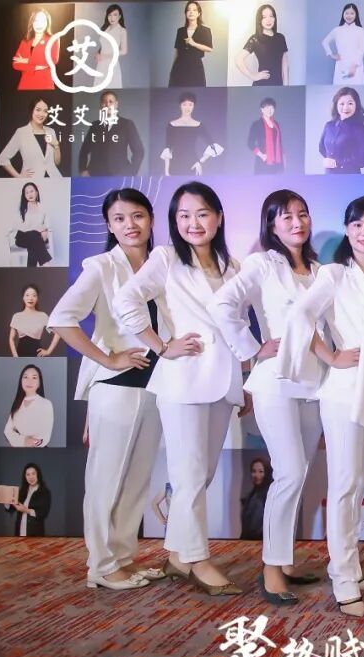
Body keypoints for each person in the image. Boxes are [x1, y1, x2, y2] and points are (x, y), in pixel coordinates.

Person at [113, 181, 244, 597]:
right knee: (188, 474)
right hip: (183, 378)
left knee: (201, 474)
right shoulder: (166, 258)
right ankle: (197, 560)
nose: (193, 223)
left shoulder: (232, 265)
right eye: (183, 216)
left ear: (218, 217)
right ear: (174, 221)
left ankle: (175, 555)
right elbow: (126, 301)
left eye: (202, 213)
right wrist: (160, 345)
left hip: (224, 380)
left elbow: (238, 325)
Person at [49, 187, 171, 591]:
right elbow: (62, 319)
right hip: (116, 387)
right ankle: (100, 565)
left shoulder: (165, 264)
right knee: (106, 479)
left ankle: (123, 559)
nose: (130, 225)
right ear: (109, 225)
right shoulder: (101, 267)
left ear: (150, 219)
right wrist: (107, 359)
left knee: (136, 480)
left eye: (137, 216)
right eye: (119, 218)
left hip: (157, 384)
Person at [209, 189, 324, 607]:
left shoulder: (319, 269)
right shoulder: (262, 264)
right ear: (271, 224)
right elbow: (222, 304)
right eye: (286, 216)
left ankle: (286, 561)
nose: (297, 222)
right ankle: (272, 568)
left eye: (302, 213)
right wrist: (253, 348)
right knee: (288, 472)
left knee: (300, 473)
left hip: (316, 382)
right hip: (275, 381)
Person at [278, 196, 364, 616]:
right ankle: (343, 578)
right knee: (344, 485)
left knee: (358, 483)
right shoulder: (334, 273)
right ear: (347, 229)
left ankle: (348, 566)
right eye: (358, 224)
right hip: (343, 391)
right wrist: (330, 356)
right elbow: (299, 316)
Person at [78, 92, 145, 177]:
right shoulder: (95, 126)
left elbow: (139, 150)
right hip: (96, 175)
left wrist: (131, 172)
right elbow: (84, 151)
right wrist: (83, 170)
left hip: (120, 175)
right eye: (104, 102)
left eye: (111, 101)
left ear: (116, 104)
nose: (107, 104)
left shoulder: (127, 124)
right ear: (101, 105)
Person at [161, 92, 224, 176]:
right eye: (184, 104)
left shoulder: (198, 125)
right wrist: (166, 172)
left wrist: (200, 162)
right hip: (175, 165)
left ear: (194, 106)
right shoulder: (172, 124)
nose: (187, 108)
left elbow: (212, 145)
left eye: (190, 105)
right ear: (180, 106)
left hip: (193, 164)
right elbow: (168, 148)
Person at [0, 98, 62, 179]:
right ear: (32, 110)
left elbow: (57, 163)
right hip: (31, 181)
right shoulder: (21, 132)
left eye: (45, 111)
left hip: (54, 180)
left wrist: (56, 146)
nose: (41, 114)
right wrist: (18, 176)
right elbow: (2, 158)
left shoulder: (51, 131)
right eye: (38, 110)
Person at [318, 87, 364, 174]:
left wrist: (337, 163)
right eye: (342, 104)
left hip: (350, 176)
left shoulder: (361, 129)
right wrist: (328, 161)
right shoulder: (329, 126)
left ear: (356, 105)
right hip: (329, 175)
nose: (345, 107)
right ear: (336, 105)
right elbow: (321, 148)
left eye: (350, 103)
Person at [236, 4, 289, 87]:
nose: (268, 20)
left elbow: (284, 64)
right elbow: (238, 59)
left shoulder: (281, 37)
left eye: (271, 16)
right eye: (264, 17)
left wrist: (286, 86)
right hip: (261, 85)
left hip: (278, 84)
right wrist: (253, 76)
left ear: (274, 18)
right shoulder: (255, 39)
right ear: (259, 20)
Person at [4, 364, 54, 448]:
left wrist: (29, 442)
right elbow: (7, 431)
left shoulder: (46, 404)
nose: (29, 381)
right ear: (21, 381)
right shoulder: (17, 403)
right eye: (25, 377)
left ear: (39, 383)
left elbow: (45, 436)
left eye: (34, 378)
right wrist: (23, 441)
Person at [168, 1, 214, 87]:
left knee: (196, 89)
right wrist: (172, 68)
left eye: (194, 10)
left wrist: (194, 44)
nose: (191, 12)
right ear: (185, 13)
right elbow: (177, 51)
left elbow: (209, 48)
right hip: (180, 66)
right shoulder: (180, 31)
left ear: (199, 13)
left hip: (195, 66)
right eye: (188, 10)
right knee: (178, 88)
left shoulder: (205, 30)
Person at [12, 8, 58, 91]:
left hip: (44, 84)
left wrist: (27, 61)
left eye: (42, 21)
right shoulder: (25, 41)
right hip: (25, 84)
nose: (39, 24)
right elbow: (16, 64)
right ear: (32, 23)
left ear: (47, 23)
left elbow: (53, 60)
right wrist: (35, 67)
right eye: (36, 21)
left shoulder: (53, 39)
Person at [8, 184, 52, 268]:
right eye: (27, 193)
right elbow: (19, 226)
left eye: (31, 191)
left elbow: (48, 225)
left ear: (36, 192)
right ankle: (46, 263)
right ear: (24, 195)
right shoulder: (22, 207)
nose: (29, 194)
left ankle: (30, 271)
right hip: (21, 237)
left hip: (36, 238)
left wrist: (44, 230)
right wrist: (37, 228)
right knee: (33, 235)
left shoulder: (42, 207)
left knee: (33, 244)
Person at [10, 283, 59, 357]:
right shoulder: (17, 316)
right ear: (23, 298)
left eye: (34, 295)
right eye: (27, 295)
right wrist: (15, 355)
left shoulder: (42, 316)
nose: (30, 298)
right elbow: (11, 338)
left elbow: (58, 333)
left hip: (37, 355)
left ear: (37, 298)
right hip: (20, 355)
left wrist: (48, 351)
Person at [323, 3, 364, 84]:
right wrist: (331, 54)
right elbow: (325, 42)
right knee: (340, 84)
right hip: (341, 65)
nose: (349, 16)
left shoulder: (360, 30)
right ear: (343, 14)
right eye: (346, 13)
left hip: (356, 66)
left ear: (356, 15)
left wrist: (355, 65)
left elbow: (362, 49)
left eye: (352, 13)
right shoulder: (337, 30)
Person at [4, 464, 50, 536]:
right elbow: (11, 509)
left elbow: (43, 513)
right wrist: (5, 500)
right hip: (20, 532)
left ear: (38, 475)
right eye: (28, 474)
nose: (31, 477)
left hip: (35, 534)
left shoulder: (44, 492)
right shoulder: (22, 491)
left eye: (33, 474)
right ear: (25, 477)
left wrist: (26, 510)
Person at [246, 98, 284, 175]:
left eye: (272, 108)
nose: (270, 110)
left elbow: (279, 144)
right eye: (267, 108)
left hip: (277, 163)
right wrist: (261, 155)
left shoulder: (276, 124)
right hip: (263, 163)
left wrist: (283, 159)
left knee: (276, 182)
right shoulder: (257, 124)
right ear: (262, 109)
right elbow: (250, 143)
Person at [94, 4, 128, 89]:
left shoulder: (122, 30)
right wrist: (97, 53)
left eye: (115, 15)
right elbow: (104, 45)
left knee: (111, 86)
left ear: (119, 16)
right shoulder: (106, 28)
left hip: (112, 64)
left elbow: (124, 51)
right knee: (99, 87)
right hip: (101, 64)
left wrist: (105, 56)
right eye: (110, 15)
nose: (112, 18)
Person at [239, 458, 272, 541]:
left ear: (266, 473)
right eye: (254, 471)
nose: (257, 475)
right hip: (247, 542)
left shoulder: (269, 495)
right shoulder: (251, 495)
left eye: (261, 471)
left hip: (260, 542)